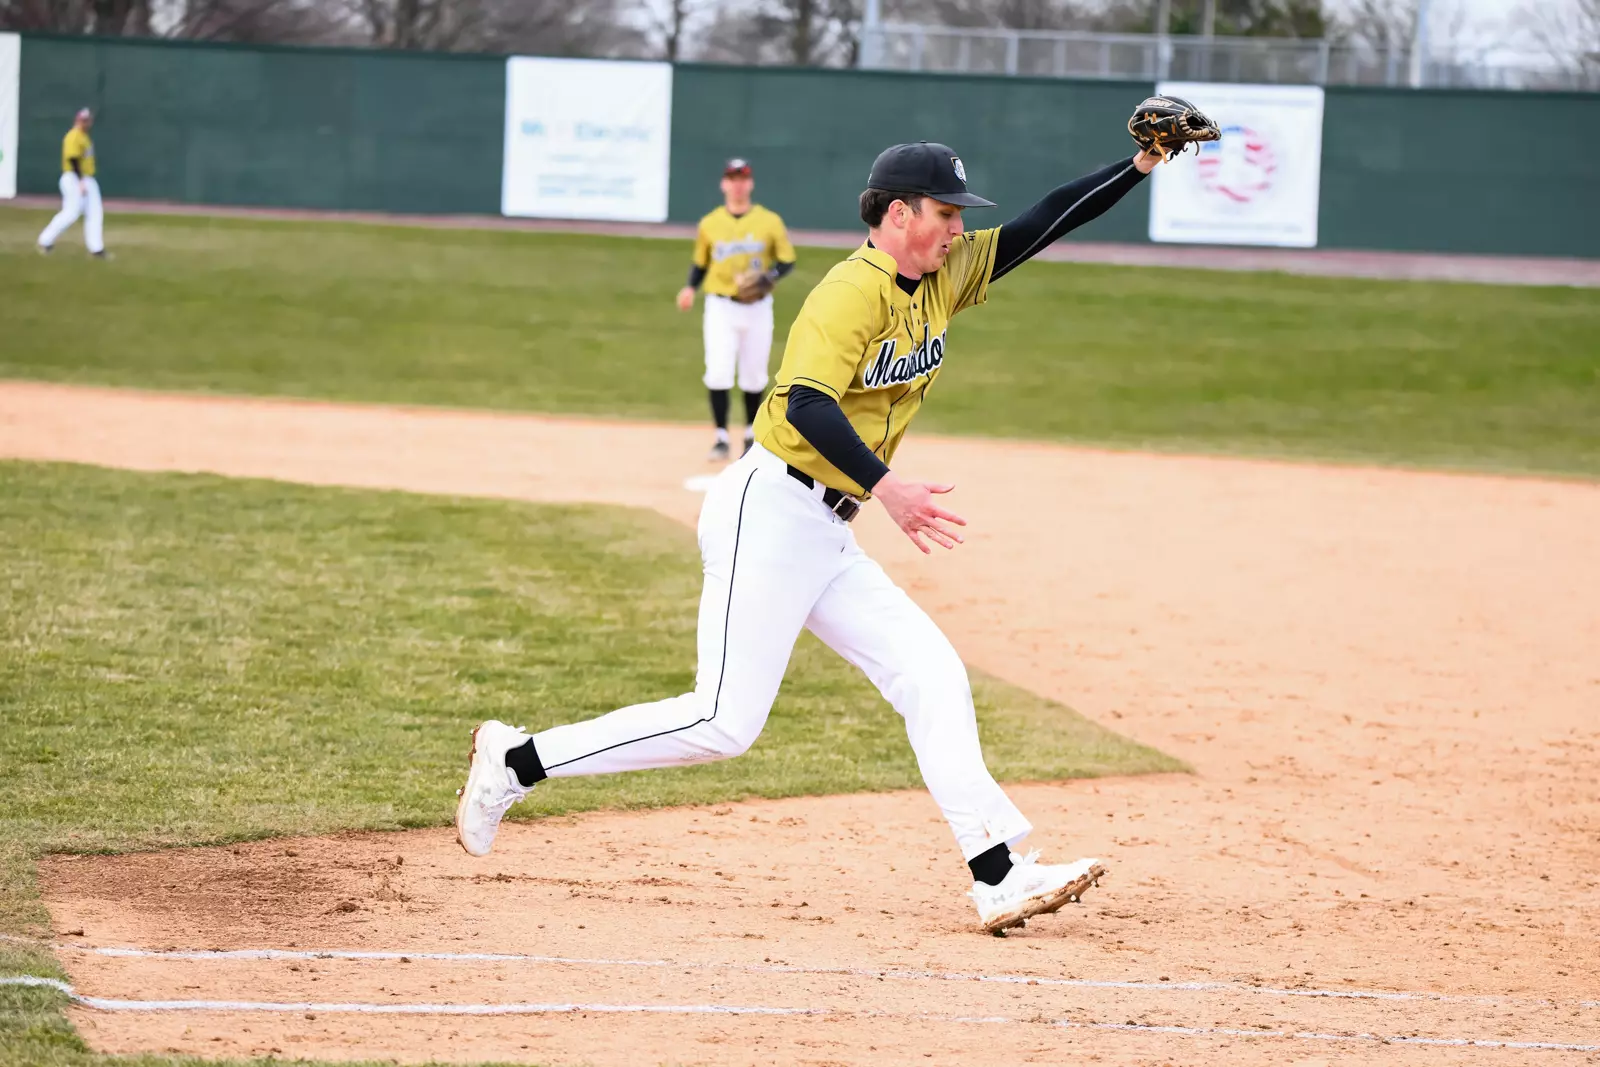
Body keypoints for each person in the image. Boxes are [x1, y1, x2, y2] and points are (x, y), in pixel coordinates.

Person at [458, 135, 1167, 934]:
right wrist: (888, 485)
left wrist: (1138, 165)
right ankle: (516, 761)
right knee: (724, 723)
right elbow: (806, 405)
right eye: (944, 213)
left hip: (828, 531)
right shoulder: (847, 294)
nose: (957, 230)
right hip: (770, 512)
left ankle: (996, 873)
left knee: (930, 672)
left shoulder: (945, 273)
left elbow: (1043, 224)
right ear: (899, 214)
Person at [676, 158, 797, 461]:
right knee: (718, 372)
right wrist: (690, 287)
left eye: (742, 178)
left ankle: (749, 435)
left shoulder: (769, 221)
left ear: (750, 183)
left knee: (754, 374)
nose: (737, 184)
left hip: (756, 308)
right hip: (721, 306)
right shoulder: (709, 223)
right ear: (724, 184)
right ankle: (720, 436)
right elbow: (701, 262)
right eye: (732, 178)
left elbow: (786, 260)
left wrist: (769, 278)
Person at [37, 108, 108, 259]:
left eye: (87, 120)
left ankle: (96, 249)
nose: (86, 122)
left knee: (95, 213)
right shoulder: (74, 135)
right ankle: (45, 240)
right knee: (71, 213)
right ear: (77, 120)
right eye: (83, 120)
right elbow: (72, 158)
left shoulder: (84, 136)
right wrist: (81, 180)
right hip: (74, 177)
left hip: (87, 178)